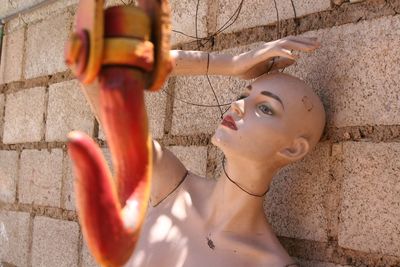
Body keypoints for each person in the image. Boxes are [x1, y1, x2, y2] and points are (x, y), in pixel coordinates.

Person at [81, 36, 325, 267]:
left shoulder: (270, 262)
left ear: (293, 148)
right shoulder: (174, 190)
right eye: (242, 95)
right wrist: (231, 63)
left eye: (265, 108)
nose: (237, 106)